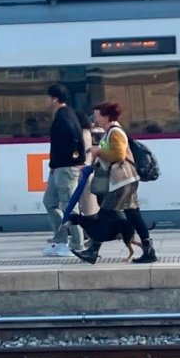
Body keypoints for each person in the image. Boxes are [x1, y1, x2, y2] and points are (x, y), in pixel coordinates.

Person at [71, 102, 157, 265]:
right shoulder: (109, 132)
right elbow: (108, 159)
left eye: (97, 116)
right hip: (126, 180)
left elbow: (118, 155)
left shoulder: (115, 132)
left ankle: (92, 251)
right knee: (133, 215)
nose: (95, 119)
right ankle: (149, 250)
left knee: (104, 217)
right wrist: (91, 165)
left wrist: (98, 151)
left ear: (106, 117)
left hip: (121, 182)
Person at [42, 84, 85, 257]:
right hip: (58, 167)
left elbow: (74, 138)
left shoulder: (64, 116)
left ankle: (77, 244)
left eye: (48, 97)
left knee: (69, 206)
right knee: (50, 202)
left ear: (54, 99)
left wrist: (74, 158)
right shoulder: (63, 115)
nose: (46, 101)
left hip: (65, 168)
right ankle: (60, 240)